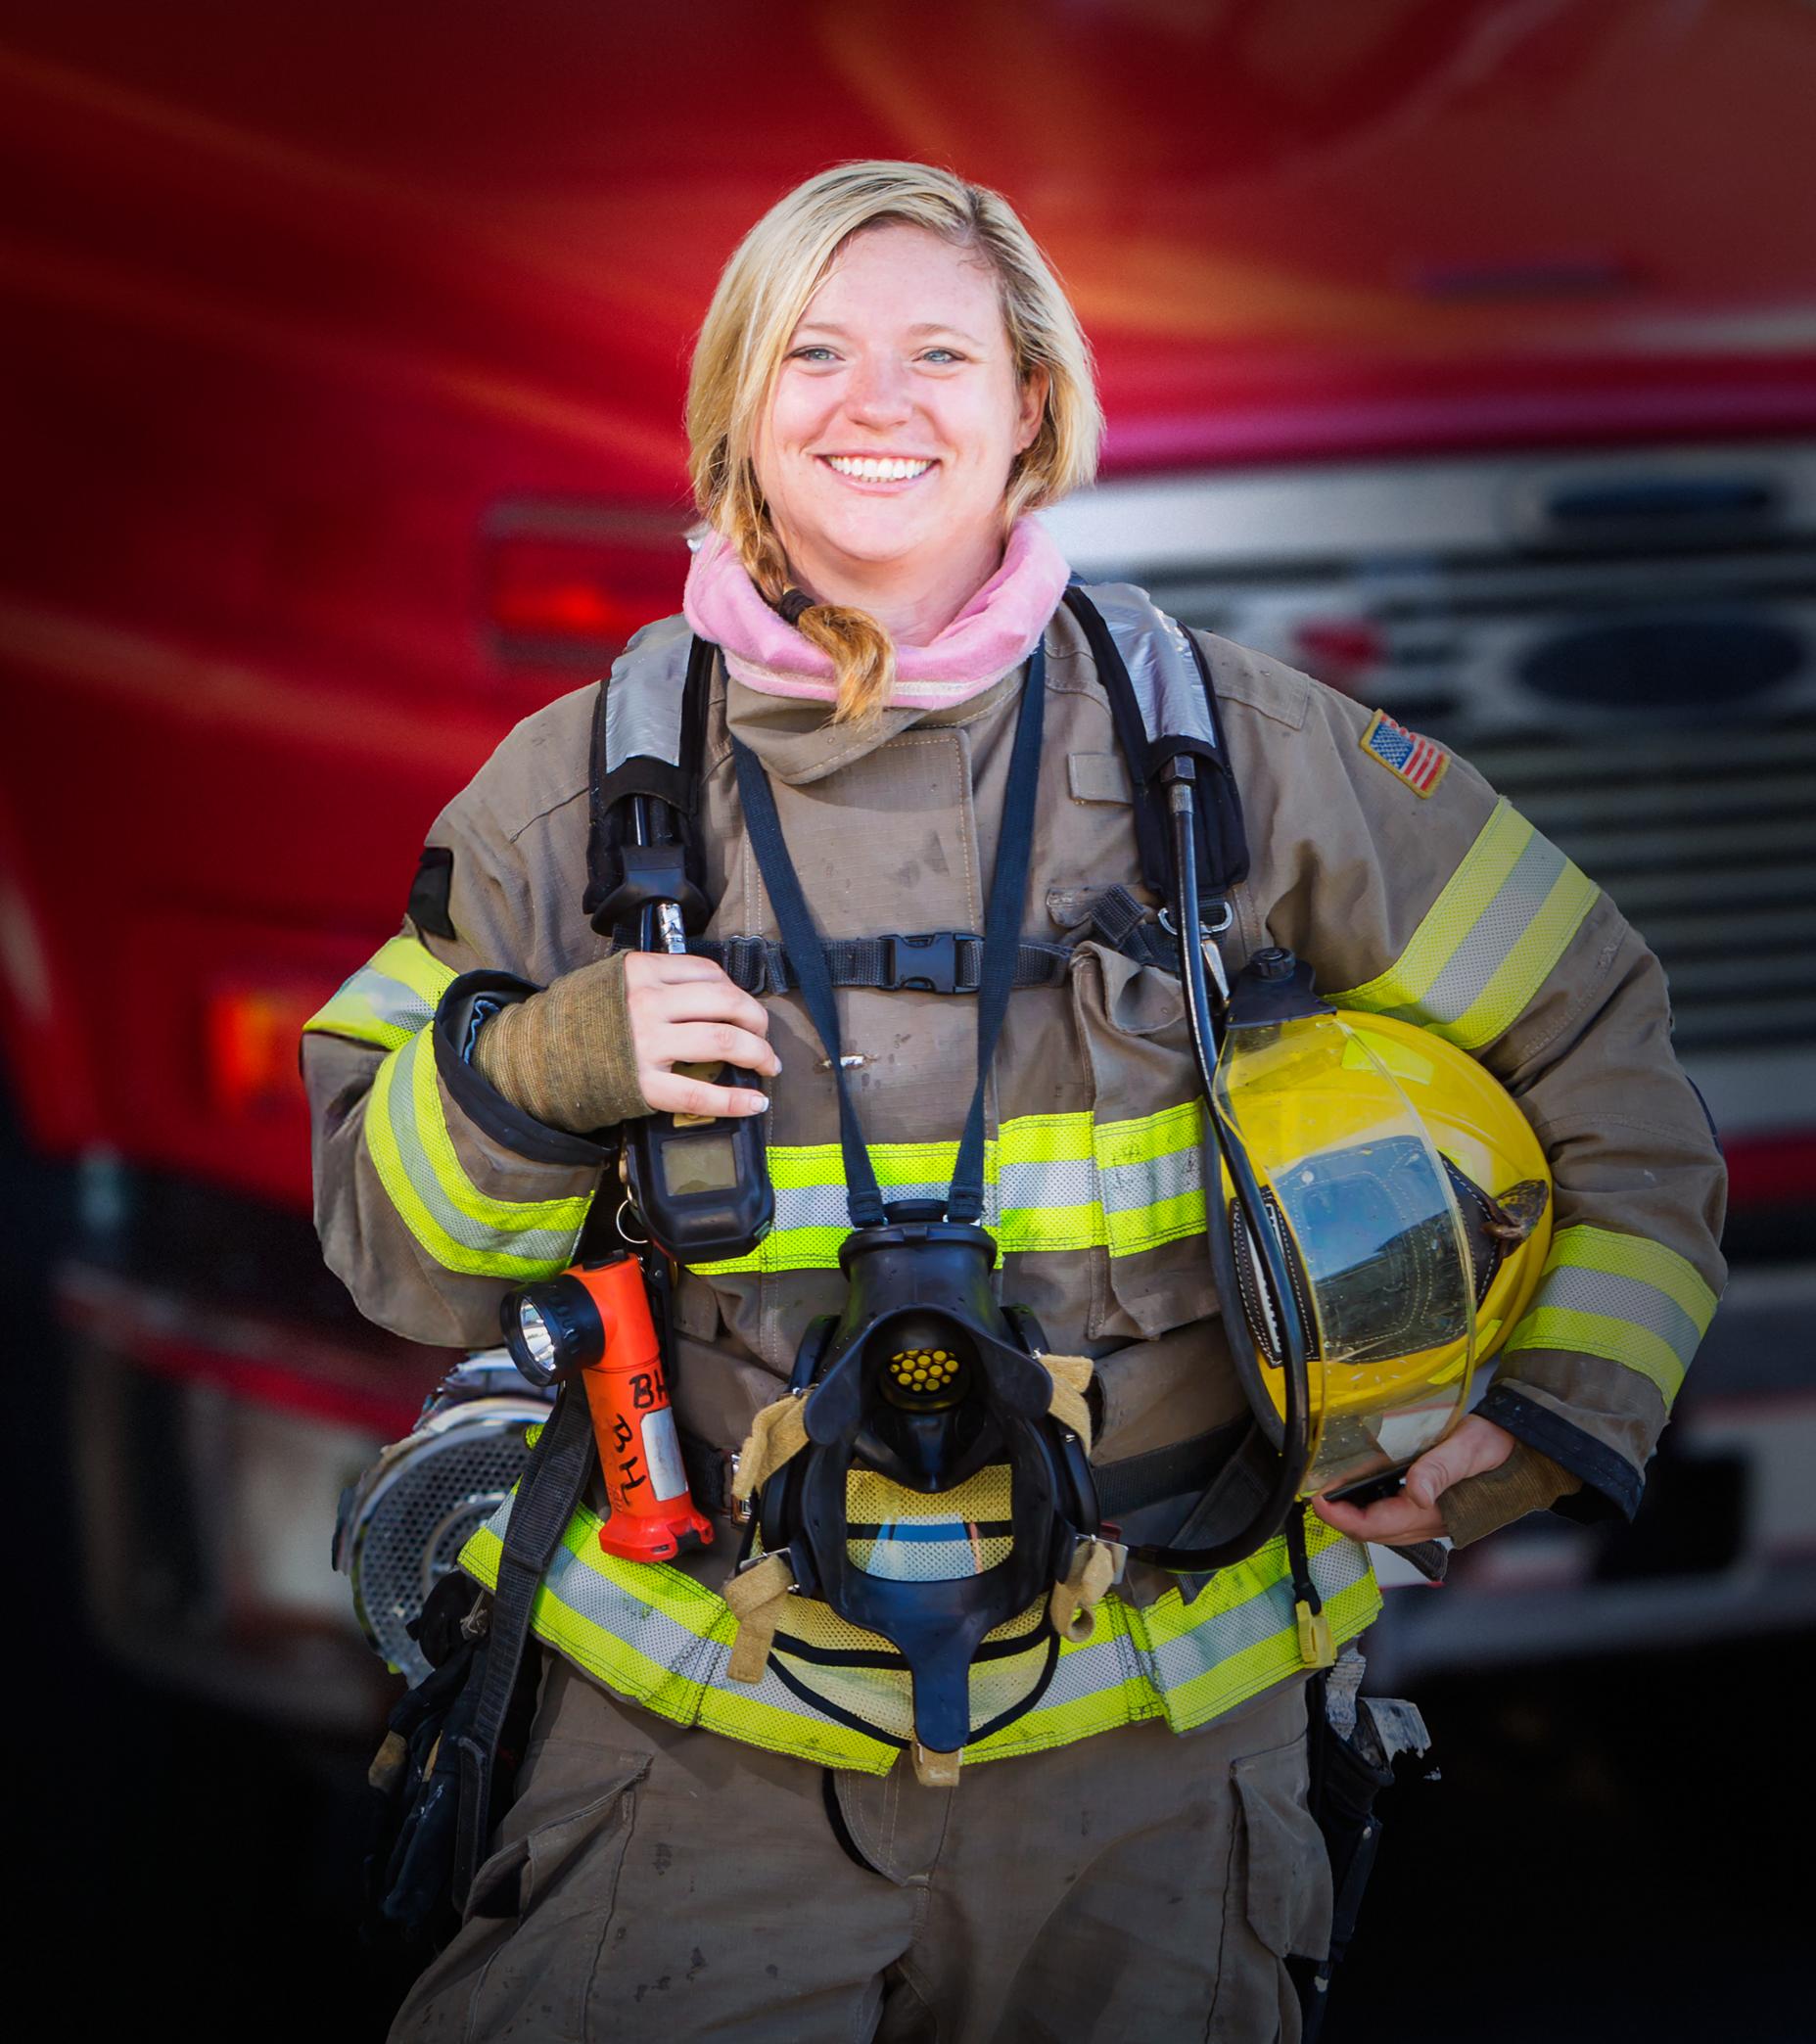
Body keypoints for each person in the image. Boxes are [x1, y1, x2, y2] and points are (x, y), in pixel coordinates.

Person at [303, 161, 1726, 2043]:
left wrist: (1566, 1401)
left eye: (938, 353)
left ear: (1031, 404)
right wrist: (533, 1063)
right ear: (737, 399)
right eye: (812, 349)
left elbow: (1608, 1049)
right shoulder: (570, 801)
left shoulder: (1247, 767)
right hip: (695, 1772)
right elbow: (381, 1245)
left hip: (1156, 1786)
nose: (873, 404)